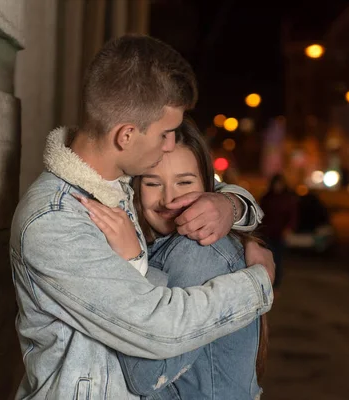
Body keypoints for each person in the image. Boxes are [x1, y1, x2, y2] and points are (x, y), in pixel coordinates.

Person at [10, 34, 275, 400]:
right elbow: (158, 330)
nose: (170, 145)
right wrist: (259, 283)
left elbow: (196, 191)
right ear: (126, 135)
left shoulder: (116, 186)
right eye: (166, 134)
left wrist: (229, 204)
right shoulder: (56, 221)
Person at [82, 118, 270, 399]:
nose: (169, 199)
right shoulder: (161, 243)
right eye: (153, 183)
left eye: (184, 182)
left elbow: (144, 374)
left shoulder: (198, 249)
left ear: (208, 186)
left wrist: (131, 264)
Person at [259, 173, 298, 289]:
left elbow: (293, 216)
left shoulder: (288, 199)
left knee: (278, 260)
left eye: (279, 184)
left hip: (280, 234)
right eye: (276, 184)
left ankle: (276, 285)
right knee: (265, 259)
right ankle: (267, 284)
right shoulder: (267, 198)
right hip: (267, 233)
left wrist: (288, 229)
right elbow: (261, 215)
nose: (277, 187)